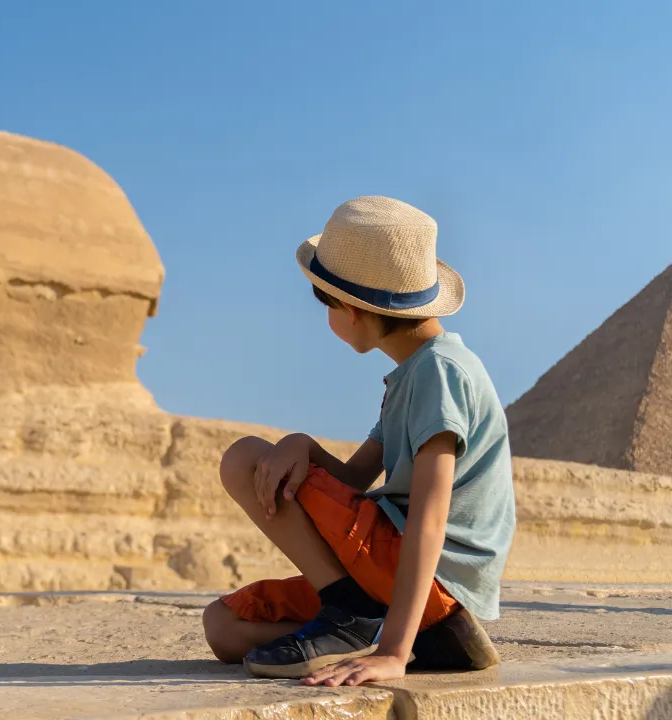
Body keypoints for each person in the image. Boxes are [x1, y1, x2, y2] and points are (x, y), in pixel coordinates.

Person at [201, 196, 516, 687]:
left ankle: (361, 618)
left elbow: (430, 517)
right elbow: (352, 480)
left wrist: (393, 653)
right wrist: (303, 445)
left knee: (244, 458)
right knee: (224, 628)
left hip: (431, 577)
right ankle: (391, 628)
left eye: (325, 304)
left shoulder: (439, 372)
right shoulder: (413, 374)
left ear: (349, 310)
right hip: (389, 573)